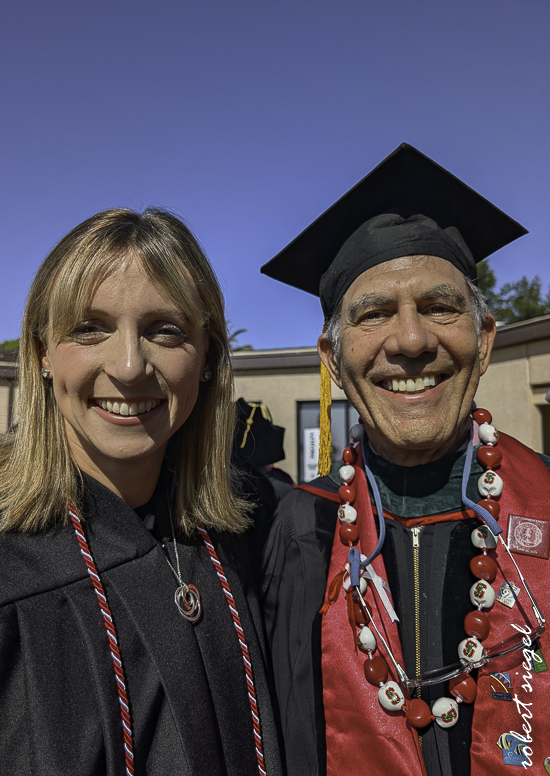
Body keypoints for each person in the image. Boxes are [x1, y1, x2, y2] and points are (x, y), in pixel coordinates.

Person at [260, 144, 550, 775]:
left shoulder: (546, 503)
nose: (412, 340)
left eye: (440, 308)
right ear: (334, 361)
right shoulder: (301, 529)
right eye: (375, 314)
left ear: (484, 340)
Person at [0, 208, 282, 776]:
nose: (130, 366)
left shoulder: (251, 525)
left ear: (207, 357)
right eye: (90, 328)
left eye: (166, 330)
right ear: (42, 353)